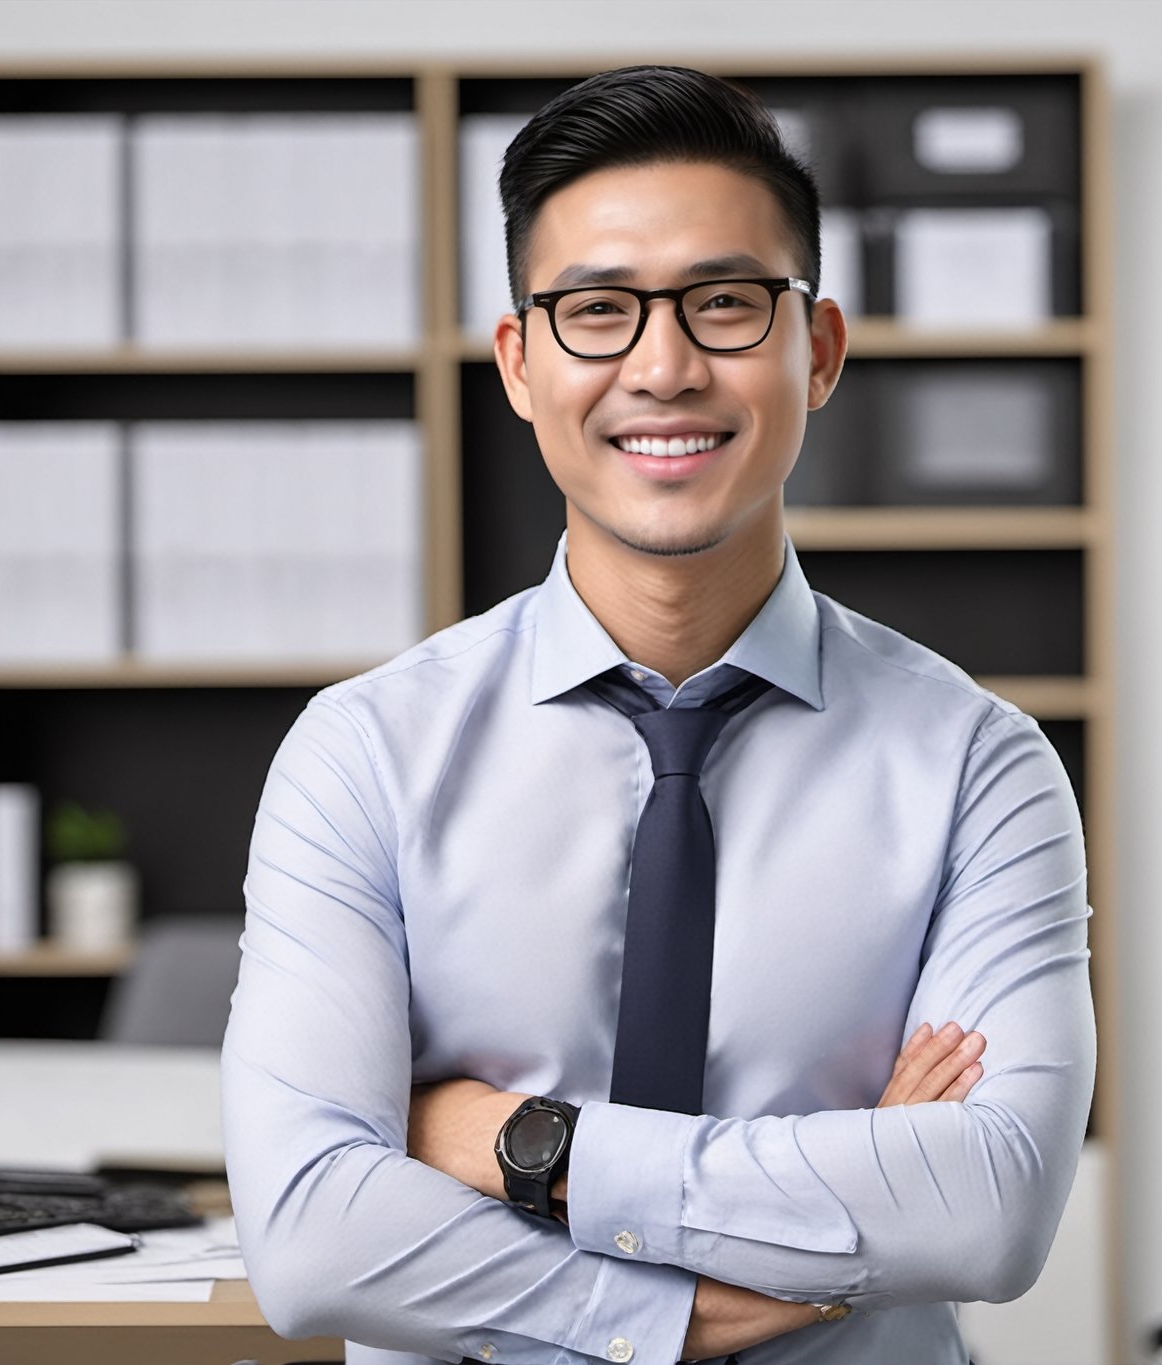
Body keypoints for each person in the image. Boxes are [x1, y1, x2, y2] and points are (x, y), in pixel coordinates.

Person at [222, 65, 1095, 1365]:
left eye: (727, 304)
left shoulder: (978, 766)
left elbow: (987, 1209)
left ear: (821, 349)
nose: (665, 364)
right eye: (597, 311)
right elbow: (309, 1236)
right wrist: (707, 1301)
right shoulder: (365, 756)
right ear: (519, 365)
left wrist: (512, 1143)